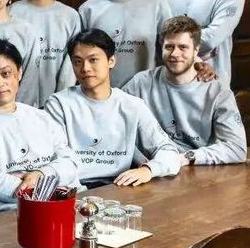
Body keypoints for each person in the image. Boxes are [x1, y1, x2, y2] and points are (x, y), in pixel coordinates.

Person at [45, 29, 181, 188]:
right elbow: (57, 156)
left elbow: (168, 151)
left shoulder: (132, 105)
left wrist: (148, 170)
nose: (85, 68)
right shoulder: (58, 104)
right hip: (72, 188)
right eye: (77, 62)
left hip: (120, 187)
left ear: (111, 61)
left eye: (93, 60)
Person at [0, 38, 80, 215]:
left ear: (19, 73)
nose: (0, 83)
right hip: (9, 213)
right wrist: (46, 187)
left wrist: (42, 174)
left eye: (6, 74)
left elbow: (69, 162)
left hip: (60, 204)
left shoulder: (40, 116)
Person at [123, 16, 246, 166]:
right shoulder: (140, 83)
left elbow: (236, 148)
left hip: (197, 168)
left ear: (196, 50)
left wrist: (184, 158)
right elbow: (115, 123)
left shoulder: (217, 91)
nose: (175, 53)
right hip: (151, 169)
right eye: (169, 47)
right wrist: (140, 160)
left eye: (183, 47)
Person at [10, 0, 80, 105]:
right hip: (16, 106)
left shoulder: (70, 16)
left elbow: (70, 69)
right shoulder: (11, 13)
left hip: (58, 105)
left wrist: (59, 103)